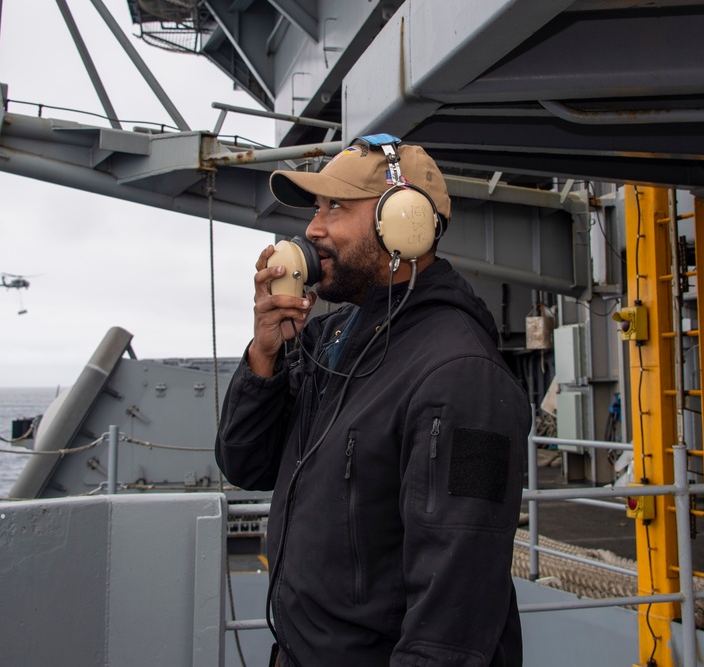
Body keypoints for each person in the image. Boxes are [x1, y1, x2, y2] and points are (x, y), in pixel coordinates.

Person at [215, 134, 529, 666]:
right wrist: (265, 354)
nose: (313, 229)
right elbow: (246, 463)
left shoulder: (464, 379)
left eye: (335, 207)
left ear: (404, 221)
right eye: (317, 208)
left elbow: (456, 612)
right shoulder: (333, 338)